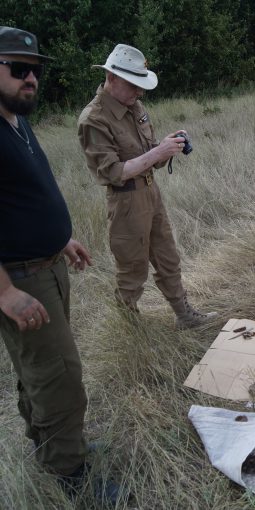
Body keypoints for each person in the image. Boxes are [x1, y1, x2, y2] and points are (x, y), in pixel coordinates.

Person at [0, 26, 121, 502]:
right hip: (20, 276)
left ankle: (51, 446)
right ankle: (72, 475)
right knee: (61, 378)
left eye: (35, 70)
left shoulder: (15, 118)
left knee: (42, 373)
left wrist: (62, 236)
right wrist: (6, 292)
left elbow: (22, 197)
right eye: (18, 69)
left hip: (47, 266)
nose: (31, 79)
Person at [78, 44, 216, 328]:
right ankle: (129, 330)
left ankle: (184, 315)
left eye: (140, 86)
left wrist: (166, 146)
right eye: (133, 85)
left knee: (168, 257)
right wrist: (157, 153)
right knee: (132, 270)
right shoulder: (94, 119)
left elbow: (146, 153)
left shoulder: (135, 105)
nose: (138, 92)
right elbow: (113, 172)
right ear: (111, 78)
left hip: (151, 193)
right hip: (126, 202)